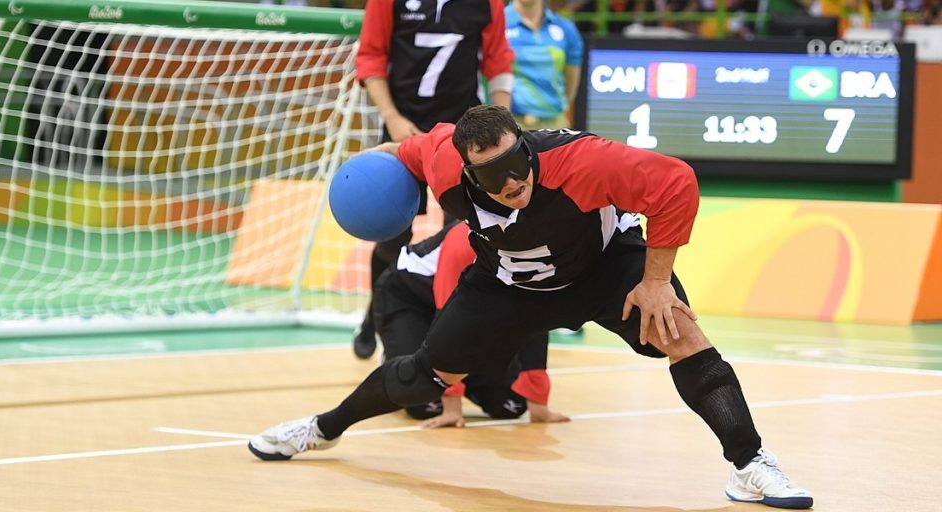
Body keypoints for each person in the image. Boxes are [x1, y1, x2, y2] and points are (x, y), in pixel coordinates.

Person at [248, 106, 814, 510]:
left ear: (524, 144)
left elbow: (676, 183)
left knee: (681, 335)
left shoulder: (582, 160)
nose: (513, 180)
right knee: (426, 375)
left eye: (517, 162)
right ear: (466, 170)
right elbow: (404, 150)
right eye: (493, 174)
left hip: (602, 269)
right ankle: (321, 429)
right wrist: (367, 168)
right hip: (507, 285)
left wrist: (657, 281)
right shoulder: (443, 161)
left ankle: (750, 465)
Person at [350, 0, 516, 360]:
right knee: (391, 239)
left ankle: (445, 336)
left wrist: (501, 118)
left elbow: (498, 60)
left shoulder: (487, 4)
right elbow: (371, 56)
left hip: (464, 136)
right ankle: (376, 317)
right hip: (402, 128)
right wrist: (391, 116)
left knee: (461, 238)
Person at [372, 220, 569, 427]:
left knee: (511, 405)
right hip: (408, 297)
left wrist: (539, 404)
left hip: (463, 310)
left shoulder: (536, 248)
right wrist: (452, 408)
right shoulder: (464, 239)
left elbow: (535, 320)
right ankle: (402, 356)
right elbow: (447, 323)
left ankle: (452, 374)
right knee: (424, 403)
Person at [506, 0, 584, 130]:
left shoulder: (566, 28)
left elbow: (571, 84)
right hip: (510, 125)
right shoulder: (497, 23)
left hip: (555, 124)